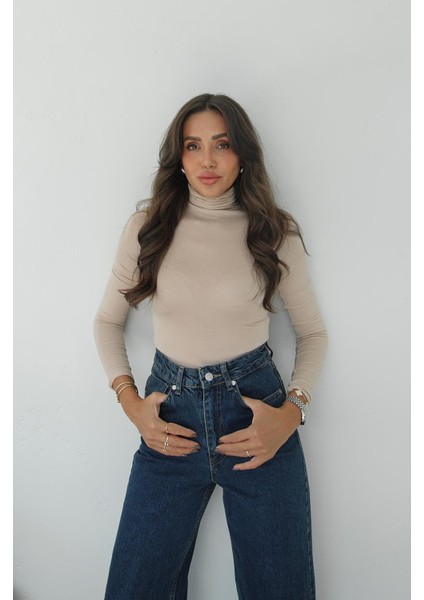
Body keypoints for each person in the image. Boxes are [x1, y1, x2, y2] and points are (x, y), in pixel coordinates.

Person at [94, 93, 327, 600]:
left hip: (257, 419)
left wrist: (291, 414)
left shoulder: (274, 232)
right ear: (178, 156)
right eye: (193, 145)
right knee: (134, 588)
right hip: (169, 423)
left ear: (242, 154)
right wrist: (131, 403)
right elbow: (107, 322)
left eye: (221, 145)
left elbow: (313, 334)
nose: (207, 160)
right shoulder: (147, 229)